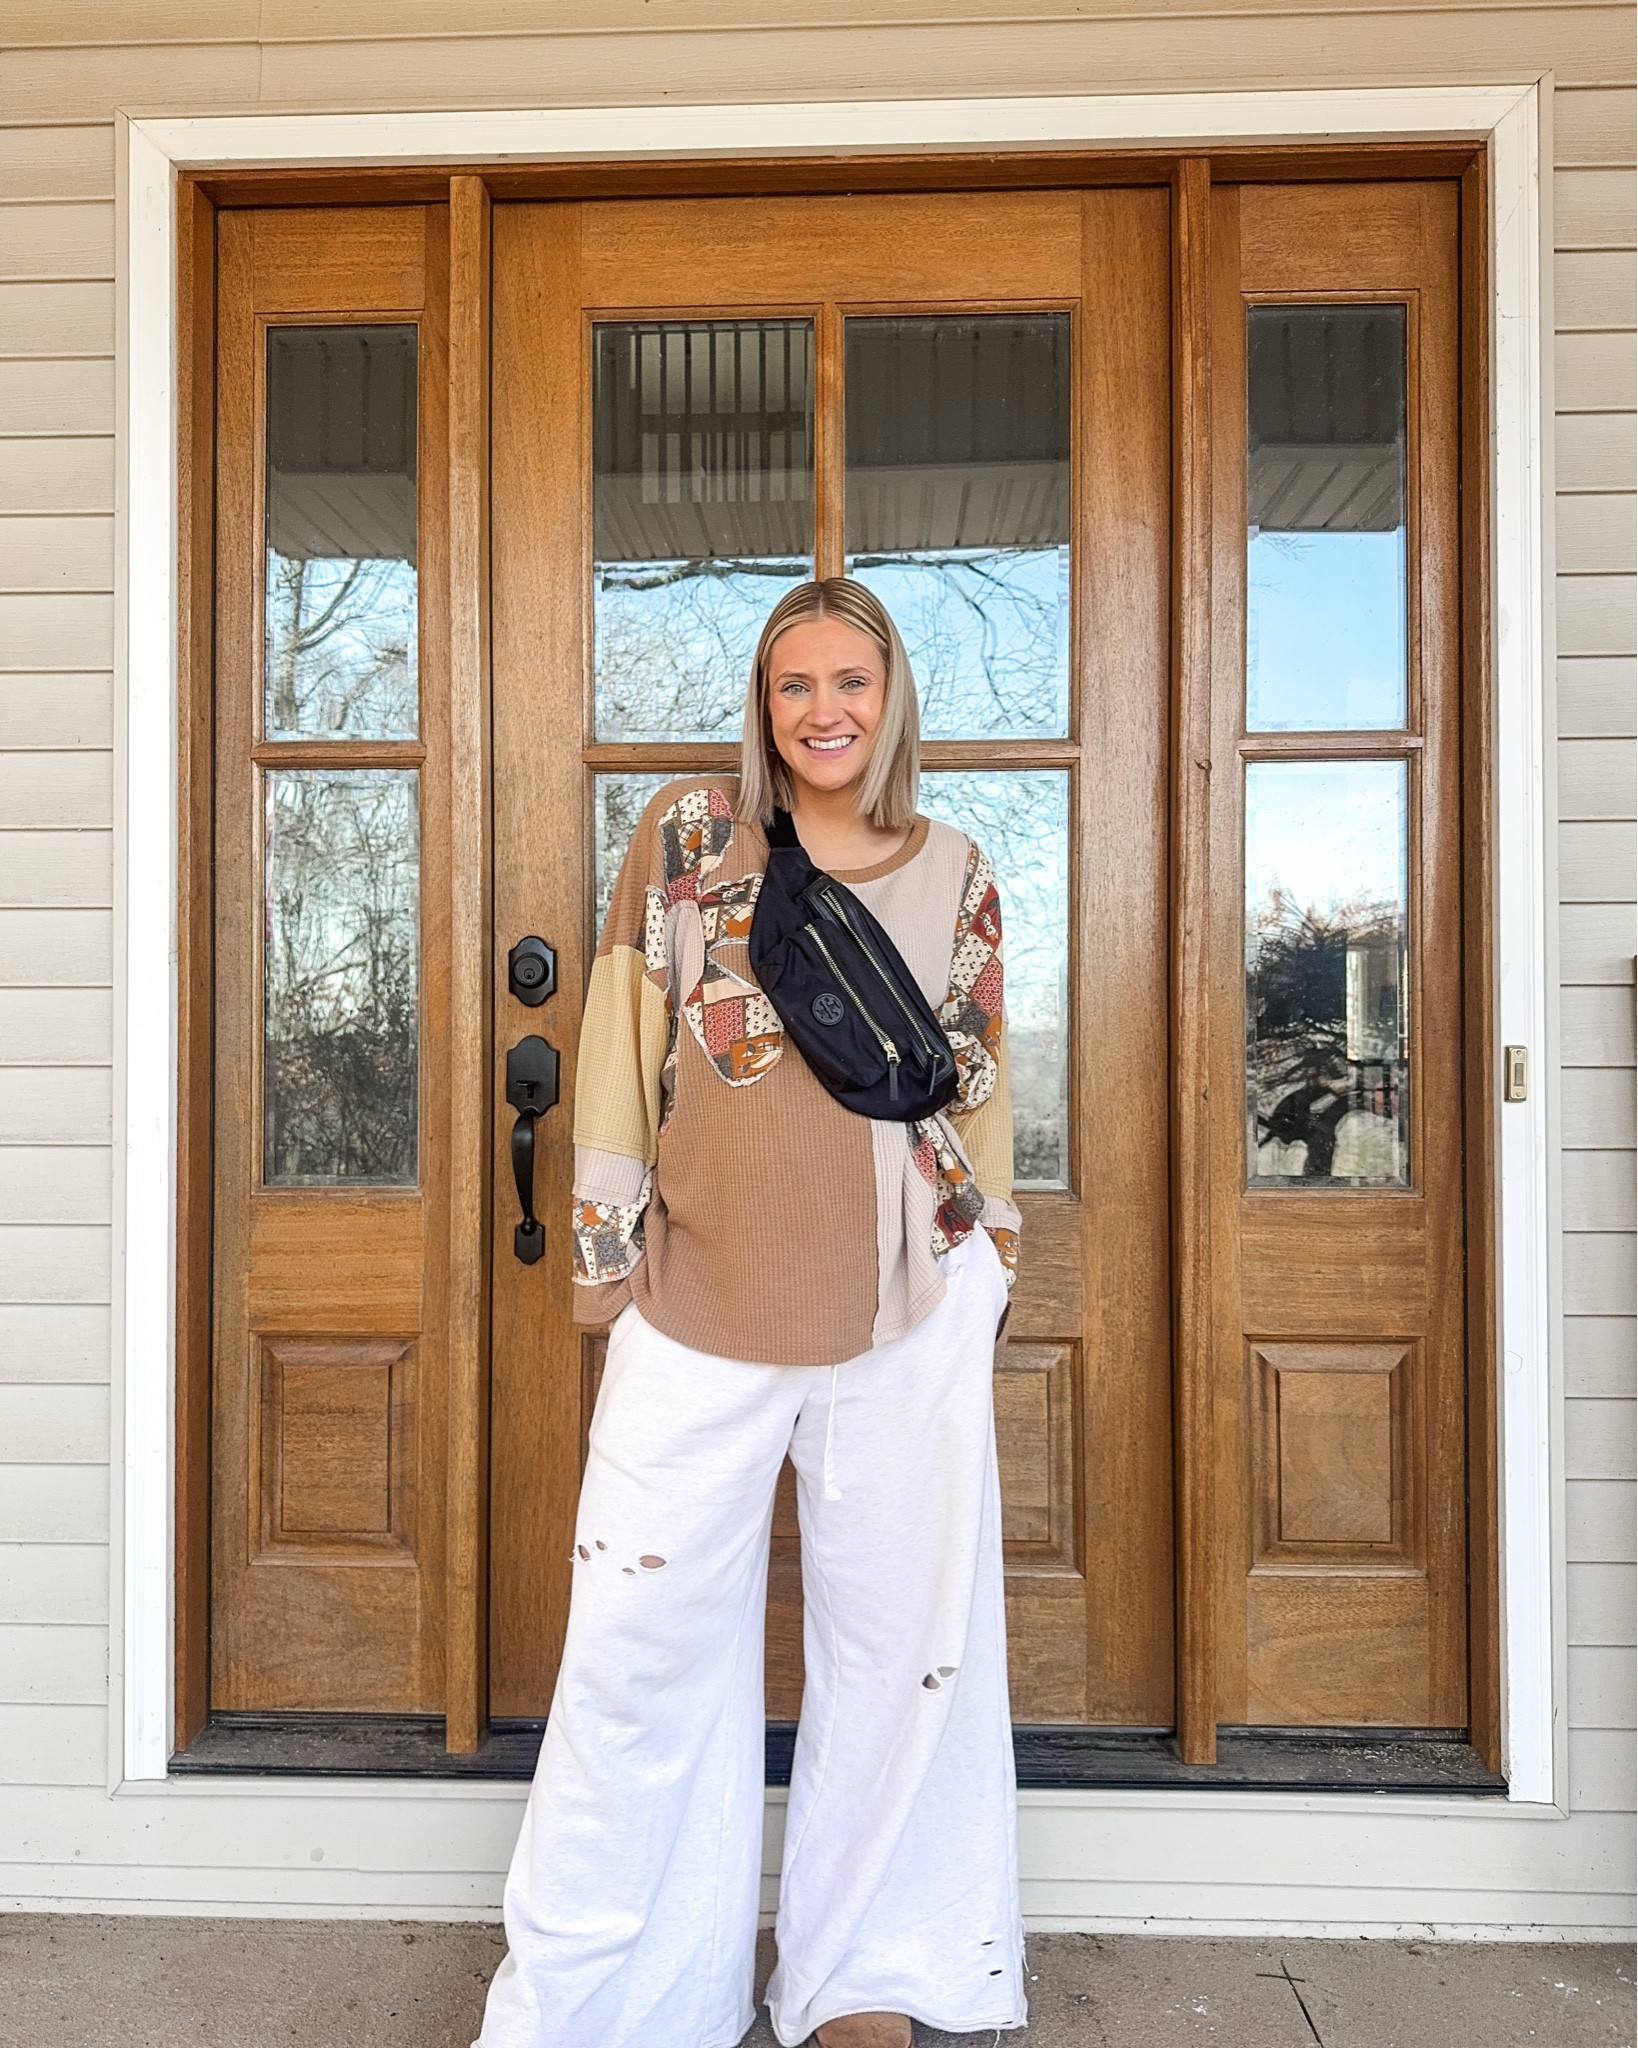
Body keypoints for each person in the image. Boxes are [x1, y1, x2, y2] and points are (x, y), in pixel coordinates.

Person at [474, 577, 1024, 2048]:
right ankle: (612, 1999)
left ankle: (869, 1976)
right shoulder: (688, 838)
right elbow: (618, 1038)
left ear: (891, 700)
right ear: (763, 705)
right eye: (796, 684)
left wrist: (993, 1255)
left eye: (852, 682)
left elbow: (978, 1083)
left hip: (906, 1302)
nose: (823, 711)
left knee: (903, 1651)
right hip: (699, 1294)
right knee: (637, 1650)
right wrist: (604, 1259)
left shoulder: (958, 869)